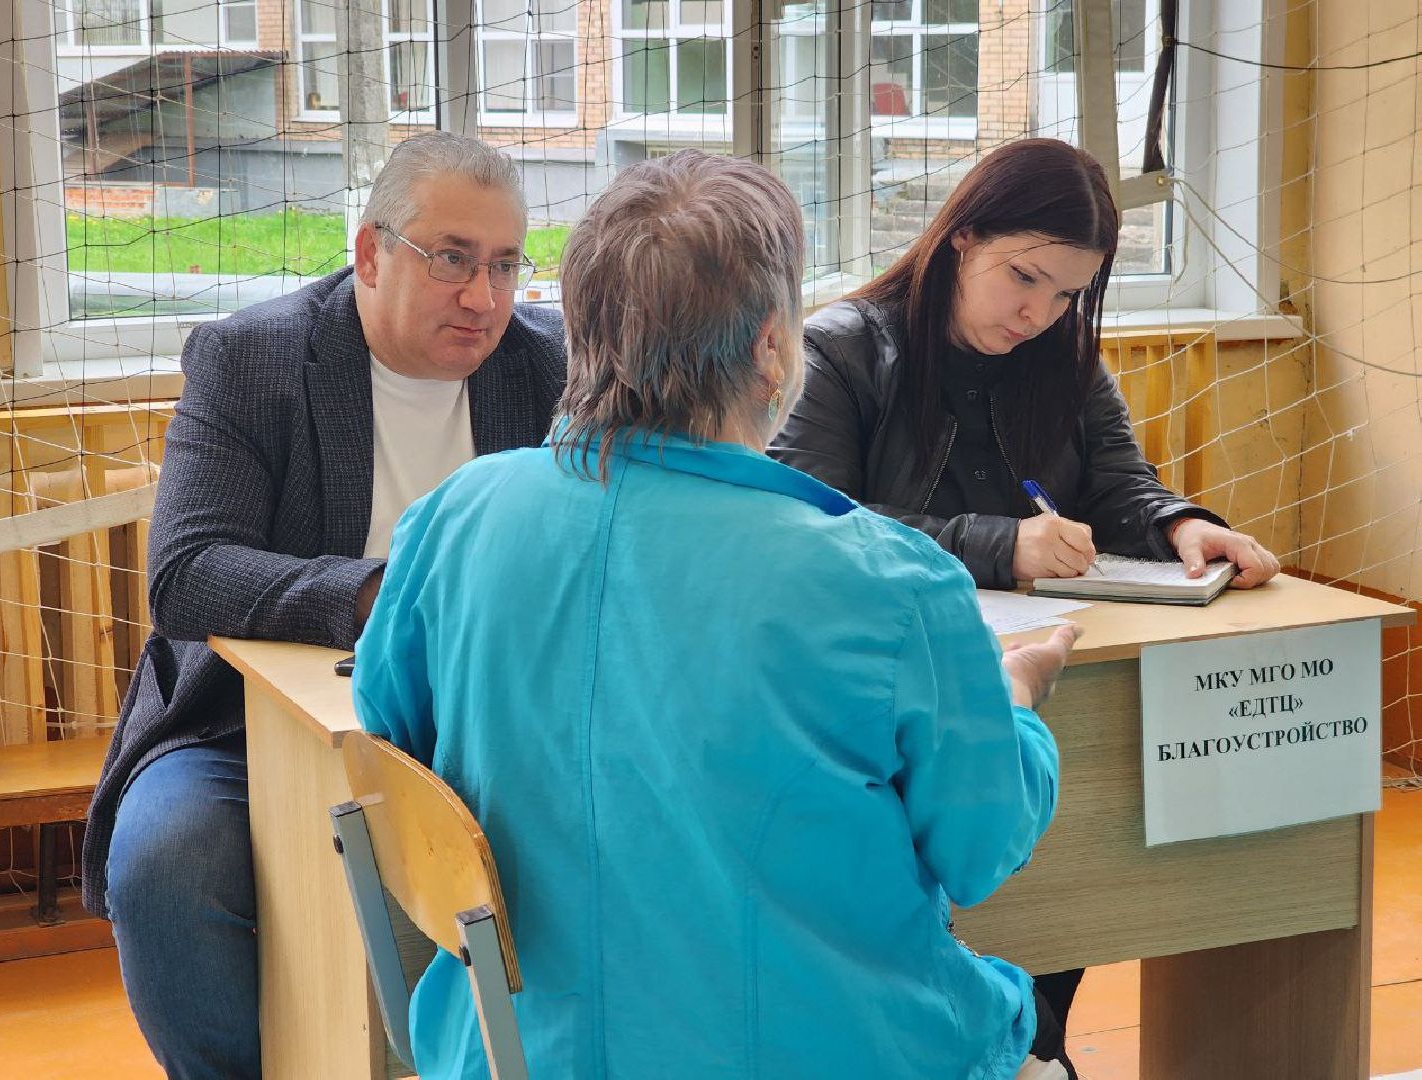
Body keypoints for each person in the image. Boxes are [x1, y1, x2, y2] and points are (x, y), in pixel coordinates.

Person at [354, 148, 1080, 1080]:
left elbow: (391, 738)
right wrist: (1015, 703)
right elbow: (980, 852)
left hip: (509, 1052)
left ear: (579, 325)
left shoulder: (454, 516)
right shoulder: (893, 582)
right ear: (775, 345)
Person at [770, 137, 1281, 1040]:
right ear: (963, 237)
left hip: (1048, 672)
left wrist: (1180, 526)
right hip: (887, 685)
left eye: (1068, 294)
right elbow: (810, 524)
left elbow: (1124, 482)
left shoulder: (1066, 360)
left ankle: (1031, 1032)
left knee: (1079, 870)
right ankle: (1008, 1037)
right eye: (1025, 277)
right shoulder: (842, 347)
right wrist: (999, 543)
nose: (1041, 313)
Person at [80, 131, 566, 1080]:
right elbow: (185, 573)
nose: (484, 298)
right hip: (244, 726)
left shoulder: (550, 369)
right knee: (165, 866)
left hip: (492, 719)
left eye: (506, 266)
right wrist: (372, 592)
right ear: (372, 253)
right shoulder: (253, 359)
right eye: (453, 259)